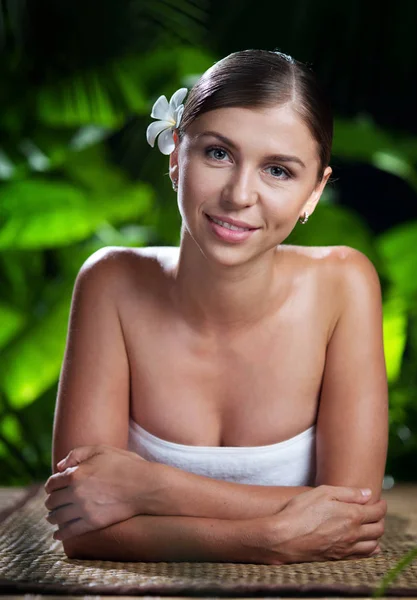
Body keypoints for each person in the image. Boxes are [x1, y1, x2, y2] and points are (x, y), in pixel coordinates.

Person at [44, 49, 388, 564]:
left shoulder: (343, 285)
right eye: (219, 154)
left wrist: (150, 488)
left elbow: (352, 519)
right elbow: (81, 526)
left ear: (314, 193)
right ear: (176, 156)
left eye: (278, 170)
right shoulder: (111, 283)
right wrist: (265, 540)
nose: (239, 195)